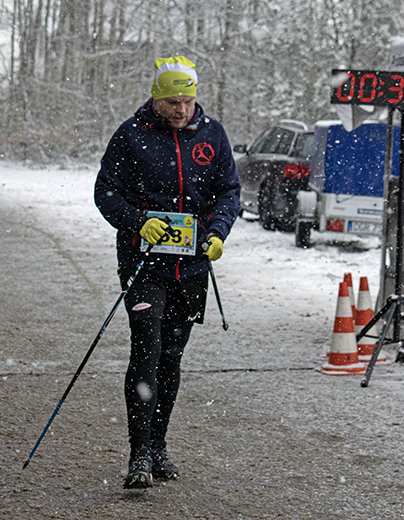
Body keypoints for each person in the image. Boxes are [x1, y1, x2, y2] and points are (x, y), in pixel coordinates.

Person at [94, 56, 240, 489]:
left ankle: (159, 446)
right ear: (157, 99)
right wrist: (138, 221)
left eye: (188, 100)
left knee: (172, 356)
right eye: (173, 101)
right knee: (147, 350)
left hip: (192, 265)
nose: (181, 110)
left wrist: (217, 232)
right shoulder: (131, 135)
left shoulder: (212, 134)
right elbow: (105, 192)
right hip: (145, 264)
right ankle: (137, 454)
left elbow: (229, 190)